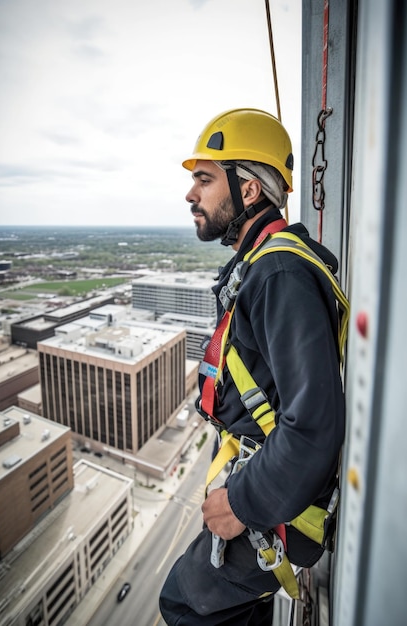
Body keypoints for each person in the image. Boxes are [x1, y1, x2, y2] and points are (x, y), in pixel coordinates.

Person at [159, 108, 347, 625]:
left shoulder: (279, 274)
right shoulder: (263, 266)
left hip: (276, 506)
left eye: (205, 178)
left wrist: (240, 503)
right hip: (269, 487)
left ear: (248, 191)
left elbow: (313, 426)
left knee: (184, 604)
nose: (191, 194)